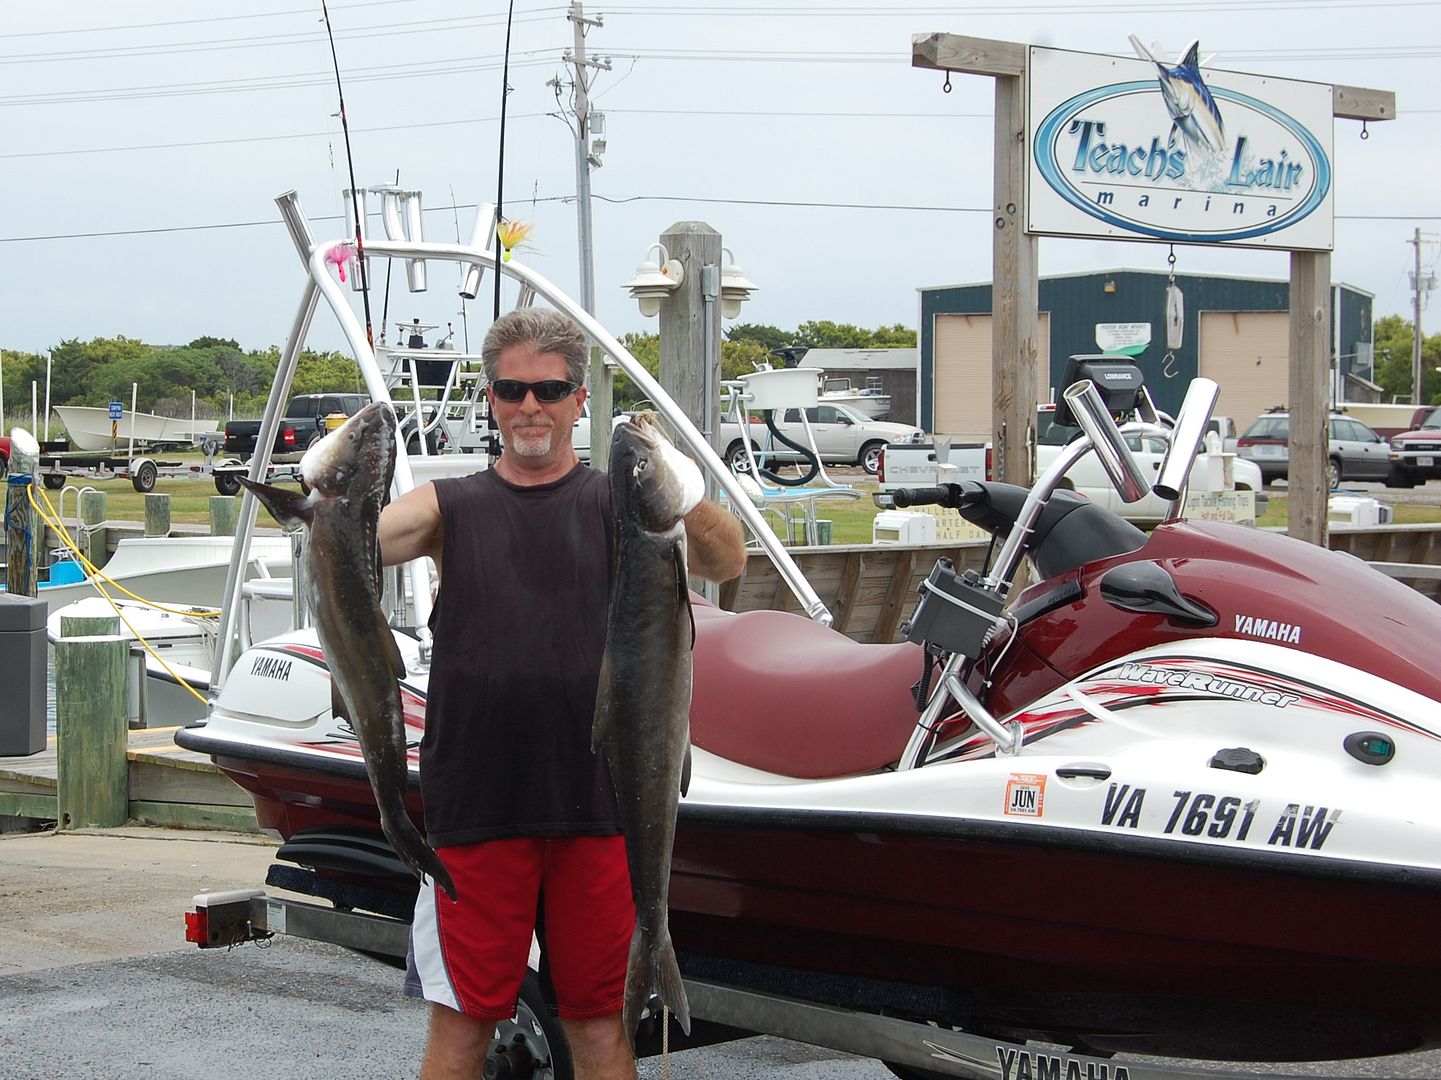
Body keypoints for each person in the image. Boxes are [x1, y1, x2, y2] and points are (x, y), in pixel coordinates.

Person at [378, 308, 746, 1080]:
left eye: (549, 389)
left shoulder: (630, 506)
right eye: (511, 389)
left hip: (607, 805)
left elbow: (725, 558)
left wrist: (674, 486)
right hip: (476, 804)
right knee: (458, 1032)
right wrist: (327, 497)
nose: (529, 407)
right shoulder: (451, 506)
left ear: (581, 400)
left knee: (600, 1029)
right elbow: (368, 539)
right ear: (489, 398)